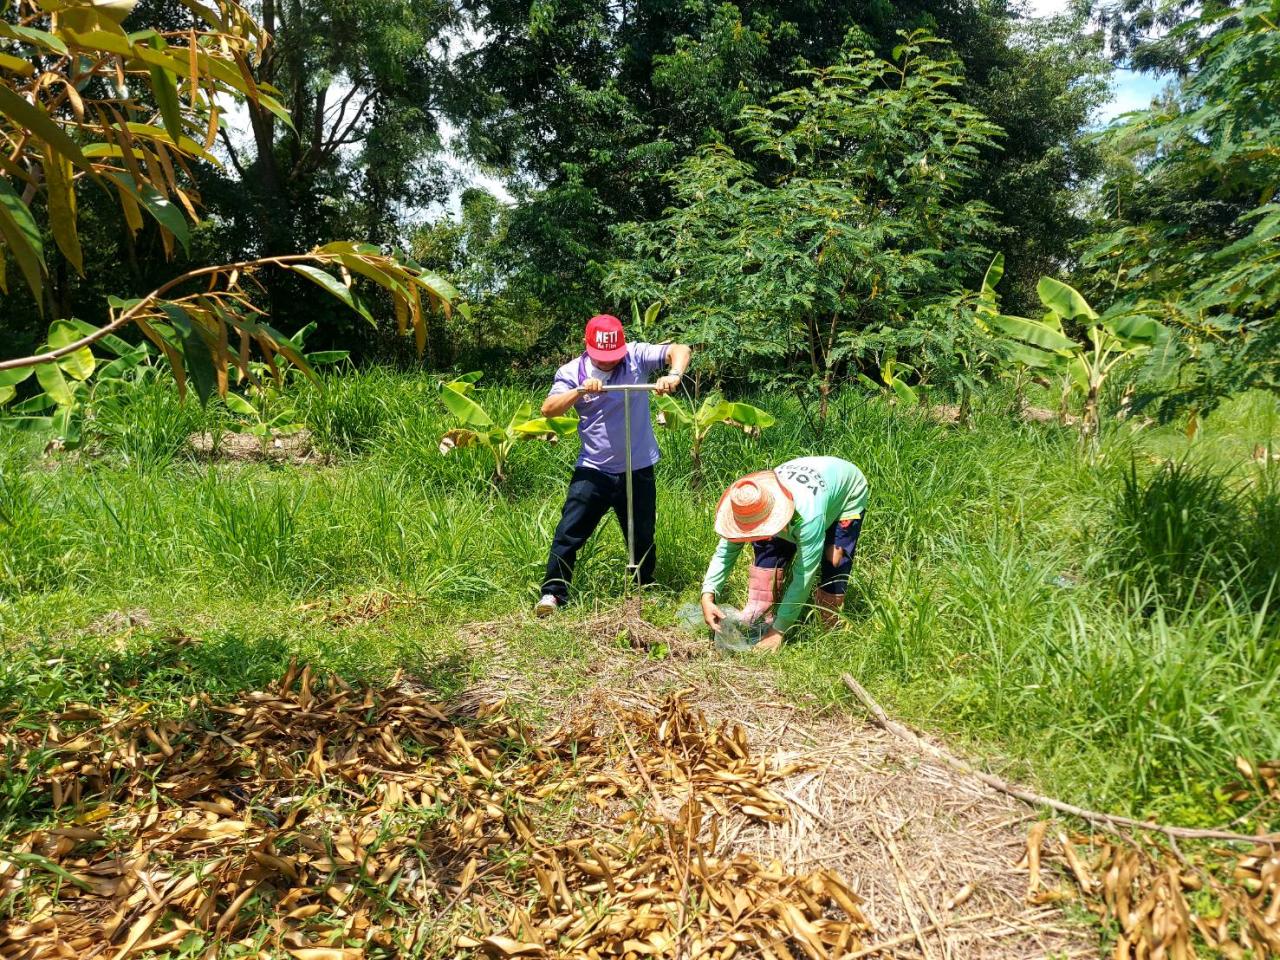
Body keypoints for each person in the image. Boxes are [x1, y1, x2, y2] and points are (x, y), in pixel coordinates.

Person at [535, 314, 692, 616]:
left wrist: (673, 375)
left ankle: (643, 587)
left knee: (642, 533)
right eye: (601, 357)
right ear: (587, 345)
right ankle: (553, 593)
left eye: (613, 356)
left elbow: (680, 349)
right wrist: (580, 390)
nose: (608, 362)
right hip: (594, 468)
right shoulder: (572, 371)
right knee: (569, 532)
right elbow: (548, 409)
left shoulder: (634, 356)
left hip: (638, 467)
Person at [700, 456, 869, 652]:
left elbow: (804, 575)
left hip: (846, 492)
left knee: (834, 562)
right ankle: (766, 615)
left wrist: (779, 631)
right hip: (802, 488)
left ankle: (830, 632)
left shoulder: (808, 517)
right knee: (765, 572)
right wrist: (708, 594)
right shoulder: (751, 504)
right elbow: (724, 553)